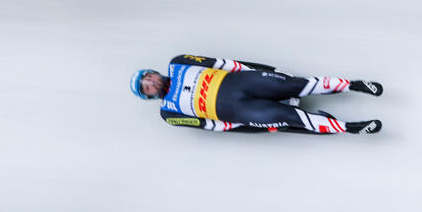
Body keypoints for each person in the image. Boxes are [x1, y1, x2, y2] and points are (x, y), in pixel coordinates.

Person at [130, 54, 382, 135]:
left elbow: (223, 63)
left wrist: (261, 71)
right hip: (238, 112)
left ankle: (354, 85)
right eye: (146, 87)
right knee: (288, 116)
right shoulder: (169, 113)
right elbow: (210, 125)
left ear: (153, 72)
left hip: (242, 82)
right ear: (149, 96)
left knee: (295, 84)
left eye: (148, 76)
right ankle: (350, 127)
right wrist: (249, 126)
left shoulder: (179, 61)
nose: (150, 82)